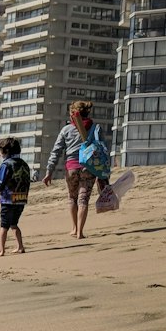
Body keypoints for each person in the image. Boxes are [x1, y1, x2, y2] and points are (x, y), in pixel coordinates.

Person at [42, 99, 106, 241]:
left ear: (73, 114)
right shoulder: (96, 128)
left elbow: (56, 151)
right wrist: (104, 173)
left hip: (71, 167)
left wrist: (49, 172)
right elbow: (102, 150)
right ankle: (80, 232)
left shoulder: (66, 130)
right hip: (88, 167)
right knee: (83, 199)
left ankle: (74, 228)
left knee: (72, 198)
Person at [0, 136, 30, 255]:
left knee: (4, 225)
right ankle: (20, 246)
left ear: (6, 151)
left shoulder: (6, 164)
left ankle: (1, 249)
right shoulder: (24, 164)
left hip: (8, 200)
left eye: (0, 150)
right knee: (14, 223)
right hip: (21, 199)